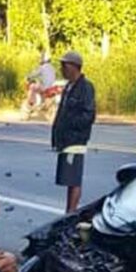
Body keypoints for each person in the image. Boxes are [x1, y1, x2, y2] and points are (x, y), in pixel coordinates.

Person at [51, 50, 96, 214]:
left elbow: (89, 115)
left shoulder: (86, 87)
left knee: (73, 178)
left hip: (76, 140)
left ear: (74, 67)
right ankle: (69, 210)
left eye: (65, 65)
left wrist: (72, 125)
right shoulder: (68, 87)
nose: (62, 69)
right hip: (66, 139)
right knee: (67, 177)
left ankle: (71, 212)